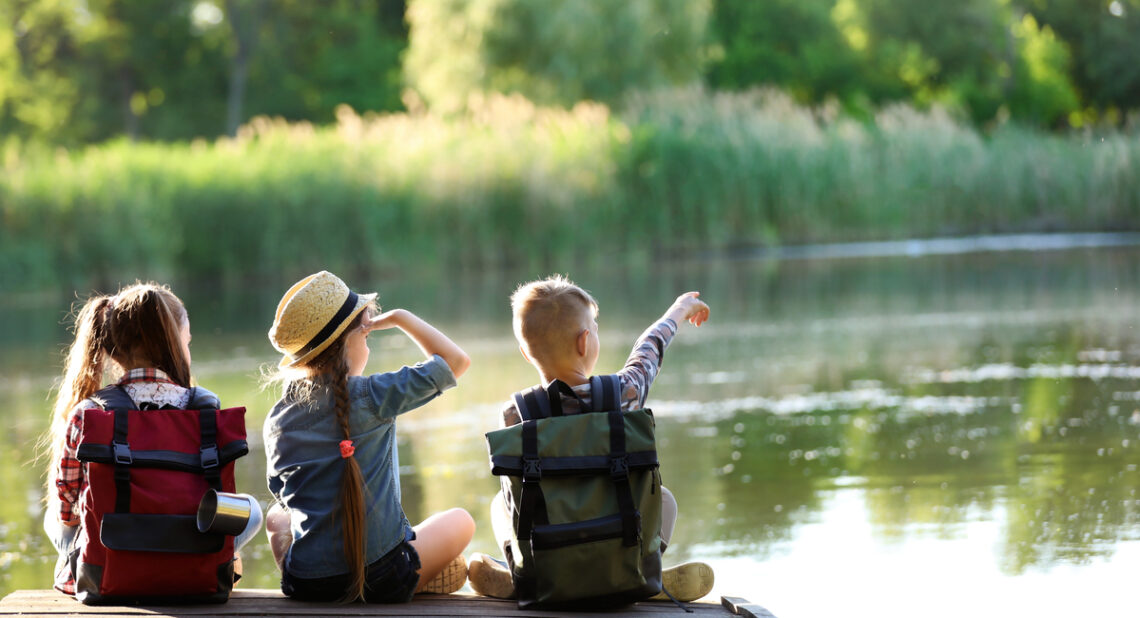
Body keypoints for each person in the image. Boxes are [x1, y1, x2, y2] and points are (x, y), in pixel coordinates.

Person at [468, 275, 716, 603]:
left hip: (549, 559)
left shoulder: (516, 414)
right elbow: (649, 350)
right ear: (585, 342)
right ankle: (640, 569)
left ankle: (522, 575)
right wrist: (678, 309)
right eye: (595, 329)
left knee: (501, 504)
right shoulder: (623, 394)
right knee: (664, 498)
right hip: (618, 544)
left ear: (527, 355)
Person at [263, 271, 475, 603]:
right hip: (384, 578)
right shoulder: (372, 395)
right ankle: (418, 578)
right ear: (349, 341)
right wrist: (402, 318)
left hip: (306, 584)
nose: (368, 343)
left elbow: (282, 495)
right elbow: (456, 362)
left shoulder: (278, 418)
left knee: (276, 517)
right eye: (366, 335)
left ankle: (344, 578)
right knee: (462, 521)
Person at [43, 282, 263, 594]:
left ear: (115, 349)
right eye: (187, 342)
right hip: (193, 552)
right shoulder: (206, 411)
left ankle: (74, 570)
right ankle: (212, 563)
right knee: (251, 508)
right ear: (174, 344)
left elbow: (68, 507)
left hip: (112, 564)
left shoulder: (89, 413)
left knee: (53, 518)